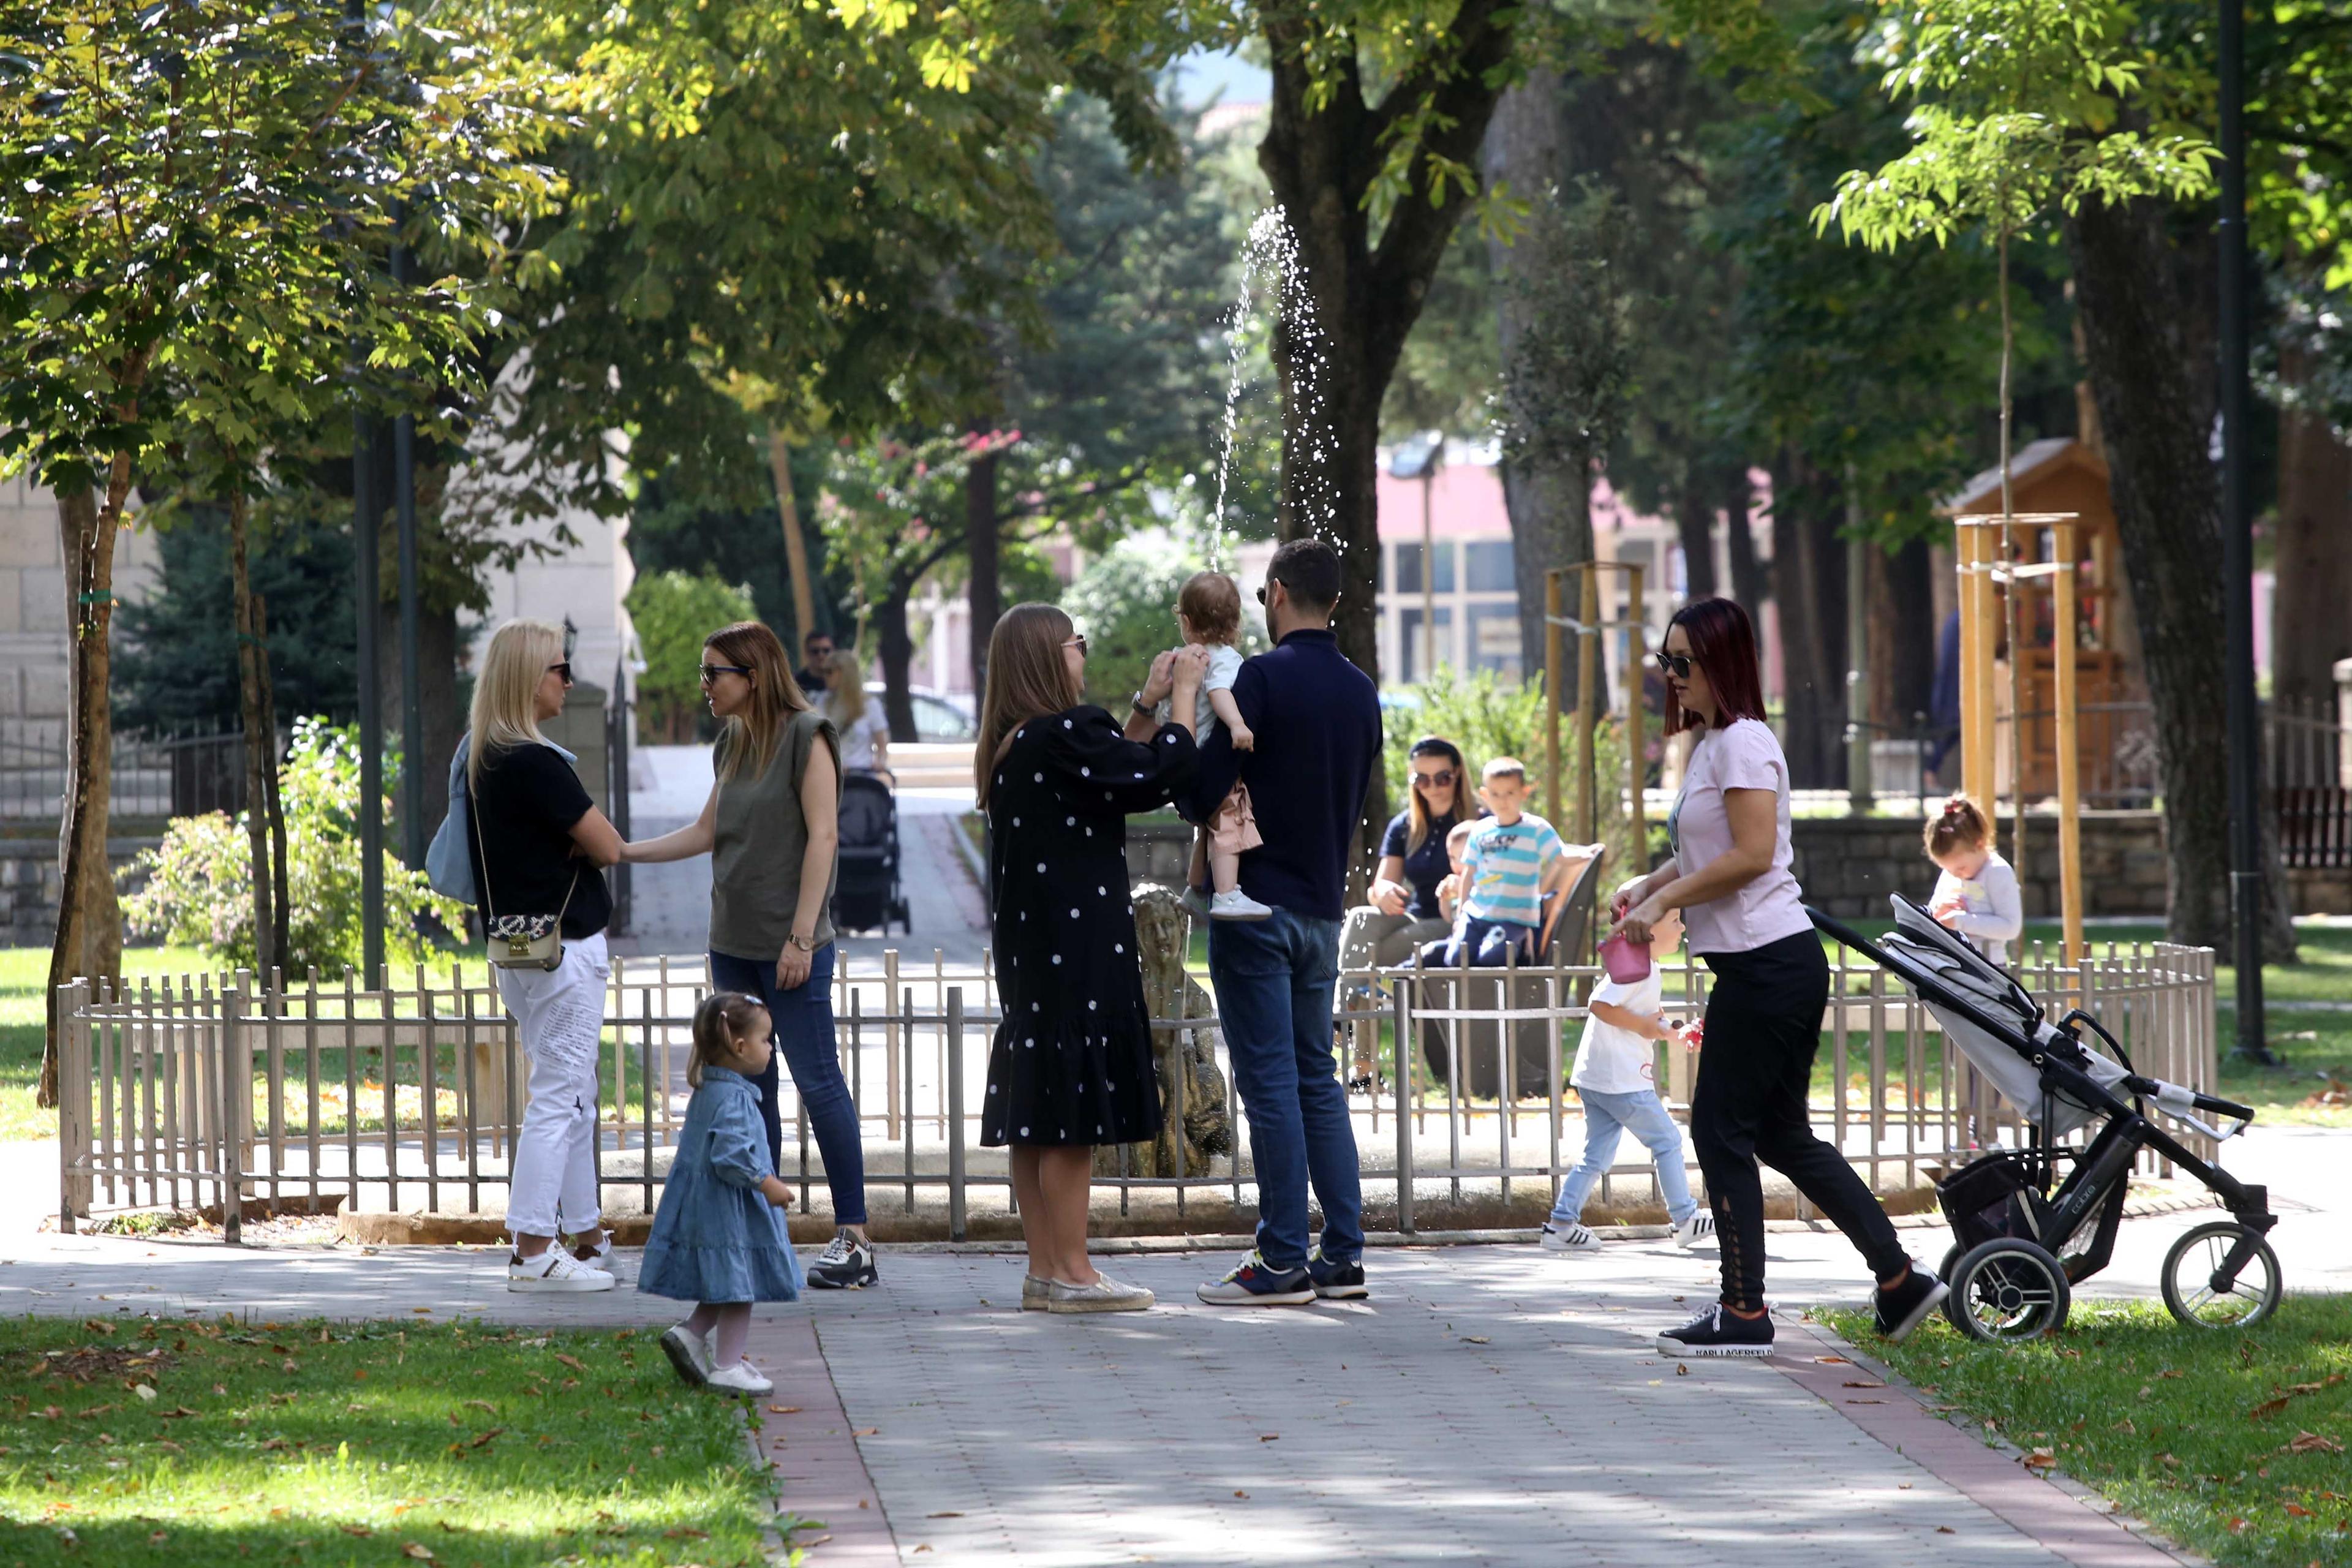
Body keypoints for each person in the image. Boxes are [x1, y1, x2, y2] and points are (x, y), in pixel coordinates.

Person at [1613, 597, 1946, 1357]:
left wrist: (1666, 899)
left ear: (1722, 662)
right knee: (1779, 1133)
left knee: (1719, 1129)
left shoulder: (1743, 743)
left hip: (1769, 967)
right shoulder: (1715, 745)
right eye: (1663, 662)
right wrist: (1651, 880)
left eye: (1682, 663)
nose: (1669, 677)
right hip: (1770, 965)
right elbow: (1711, 849)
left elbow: (1754, 854)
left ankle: (1744, 1310)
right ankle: (1900, 1280)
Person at [620, 622, 878, 1291]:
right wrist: (622, 852)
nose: (704, 686)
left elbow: (823, 836)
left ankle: (854, 1237)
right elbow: (709, 830)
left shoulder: (806, 734)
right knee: (747, 1093)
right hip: (731, 941)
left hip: (789, 944)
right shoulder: (732, 740)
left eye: (714, 673)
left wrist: (800, 936)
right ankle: (762, 1234)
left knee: (818, 1081)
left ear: (754, 675)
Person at [976, 603, 1206, 1313]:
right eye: (1080, 642)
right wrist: (1186, 700)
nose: (1084, 653)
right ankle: (1075, 1272)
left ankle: (1046, 1267)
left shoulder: (1017, 742)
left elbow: (1109, 774)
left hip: (1032, 950)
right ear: (1053, 655)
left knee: (1038, 1110)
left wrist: (1144, 702)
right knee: (1070, 1113)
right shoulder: (1068, 732)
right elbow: (1155, 779)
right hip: (1079, 949)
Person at [1185, 538, 1382, 1307]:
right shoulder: (1361, 689)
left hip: (1256, 903)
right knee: (1316, 1080)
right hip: (1321, 909)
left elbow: (1204, 788)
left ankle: (1277, 1260)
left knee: (1268, 1083)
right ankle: (1343, 1254)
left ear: (1274, 593)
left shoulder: (1261, 678)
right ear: (1333, 600)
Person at [465, 619, 625, 1292]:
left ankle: (585, 1235)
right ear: (530, 679)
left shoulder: (482, 757)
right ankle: (534, 1249)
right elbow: (611, 845)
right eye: (560, 669)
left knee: (575, 1092)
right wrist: (581, 845)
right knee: (560, 1095)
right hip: (566, 952)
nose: (569, 680)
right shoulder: (536, 760)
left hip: (518, 949)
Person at [644, 992, 804, 1397]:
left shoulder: (710, 1092)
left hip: (706, 1207)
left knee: (726, 1281)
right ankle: (727, 1366)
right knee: (739, 1288)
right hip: (727, 1211)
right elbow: (730, 1155)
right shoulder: (734, 1098)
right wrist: (768, 1184)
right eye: (767, 1040)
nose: (771, 1048)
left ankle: (692, 1334)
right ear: (739, 1046)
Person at [1538, 907, 1714, 1253]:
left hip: (1598, 1078)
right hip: (1621, 1081)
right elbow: (1600, 1005)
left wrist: (1675, 1032)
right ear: (1648, 930)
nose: (1682, 928)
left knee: (1596, 1156)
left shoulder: (1641, 967)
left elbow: (1649, 1014)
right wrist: (1648, 1028)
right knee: (1666, 1140)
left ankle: (1561, 1224)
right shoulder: (1639, 970)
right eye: (1675, 921)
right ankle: (1685, 1218)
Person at [1336, 737, 1471, 1087]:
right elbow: (1379, 886)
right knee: (1361, 918)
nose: (1433, 787)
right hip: (1413, 916)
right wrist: (1383, 892)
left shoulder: (1477, 822)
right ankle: (1345, 1029)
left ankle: (1347, 1034)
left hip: (1452, 922)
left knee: (1366, 960)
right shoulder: (1404, 826)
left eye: (1442, 777)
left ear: (1457, 775)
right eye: (1422, 779)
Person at [1166, 570, 1271, 921]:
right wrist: (1238, 724)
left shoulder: (1184, 657)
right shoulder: (1223, 658)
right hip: (1206, 762)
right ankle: (1226, 895)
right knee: (1228, 818)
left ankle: (1196, 890)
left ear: (1186, 620)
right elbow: (1219, 693)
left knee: (1207, 826)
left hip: (1183, 758)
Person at [1427, 758, 1570, 967]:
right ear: (1485, 795)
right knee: (1452, 956)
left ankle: (1522, 949)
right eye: (1495, 794)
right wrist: (1457, 913)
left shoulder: (1534, 829)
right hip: (1478, 915)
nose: (1502, 800)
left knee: (1492, 956)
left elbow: (1561, 854)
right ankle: (1396, 977)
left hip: (1512, 918)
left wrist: (1588, 853)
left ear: (1523, 792)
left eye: (1509, 793)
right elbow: (1467, 876)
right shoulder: (1481, 831)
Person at [1924, 794, 2023, 965]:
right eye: (1947, 869)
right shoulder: (1951, 874)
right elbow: (1932, 914)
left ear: (1979, 845)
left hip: (1988, 967)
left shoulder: (1997, 872)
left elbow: (2011, 927)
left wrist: (1960, 921)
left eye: (1961, 868)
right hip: (1950, 964)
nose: (1954, 874)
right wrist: (1939, 912)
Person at [824, 647, 892, 780]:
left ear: (844, 673)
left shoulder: (870, 705)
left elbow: (882, 743)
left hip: (861, 775)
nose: (825, 676)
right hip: (830, 775)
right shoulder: (822, 702)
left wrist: (880, 762)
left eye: (829, 672)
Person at [795, 629, 835, 696]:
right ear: (807, 653)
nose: (821, 656)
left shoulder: (841, 681)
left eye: (826, 651)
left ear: (834, 652)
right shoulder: (796, 684)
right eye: (815, 651)